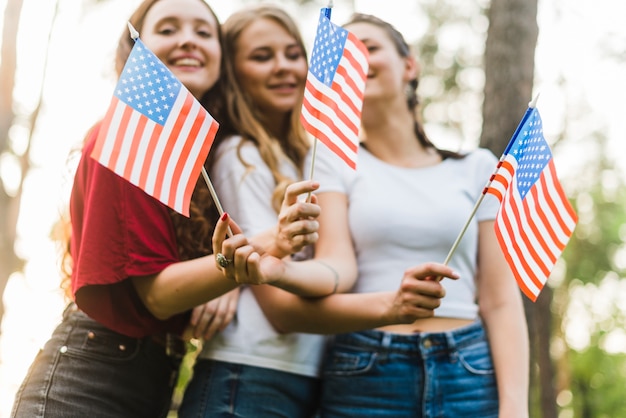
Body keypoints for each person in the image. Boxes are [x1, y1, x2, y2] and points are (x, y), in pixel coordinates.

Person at [10, 1, 321, 417]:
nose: (188, 40)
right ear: (135, 50)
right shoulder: (127, 137)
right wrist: (263, 247)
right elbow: (157, 295)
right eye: (168, 29)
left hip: (152, 377)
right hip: (88, 382)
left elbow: (196, 278)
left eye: (203, 32)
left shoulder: (200, 155)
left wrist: (225, 278)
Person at [178, 5, 460, 418]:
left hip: (304, 374)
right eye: (261, 56)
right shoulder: (242, 155)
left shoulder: (308, 158)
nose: (284, 68)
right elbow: (274, 299)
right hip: (249, 372)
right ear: (234, 73)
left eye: (294, 54)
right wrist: (389, 307)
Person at [251, 13, 530, 418]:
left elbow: (501, 301)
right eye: (342, 56)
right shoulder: (331, 160)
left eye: (368, 47)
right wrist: (279, 272)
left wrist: (515, 406)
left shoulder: (479, 167)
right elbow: (336, 267)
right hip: (366, 367)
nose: (354, 61)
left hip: (469, 371)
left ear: (409, 65)